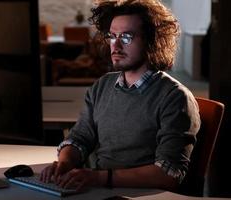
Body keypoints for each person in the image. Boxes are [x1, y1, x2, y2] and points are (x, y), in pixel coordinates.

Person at [40, 0, 201, 192]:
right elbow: (79, 138)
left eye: (126, 37)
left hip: (142, 195)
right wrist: (65, 163)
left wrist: (99, 178)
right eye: (112, 36)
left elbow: (169, 174)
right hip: (98, 189)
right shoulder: (102, 86)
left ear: (152, 41)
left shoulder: (175, 97)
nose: (115, 45)